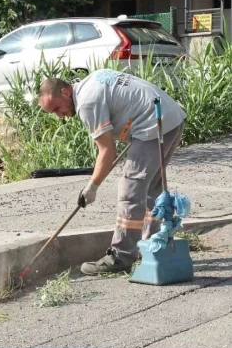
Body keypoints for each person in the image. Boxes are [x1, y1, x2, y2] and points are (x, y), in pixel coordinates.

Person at [38, 69, 186, 275]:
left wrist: (92, 187)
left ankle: (121, 256)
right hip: (170, 117)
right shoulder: (92, 81)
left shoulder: (87, 103)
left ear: (65, 92)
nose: (59, 115)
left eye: (56, 108)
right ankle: (154, 247)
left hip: (153, 124)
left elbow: (107, 150)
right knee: (151, 189)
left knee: (130, 191)